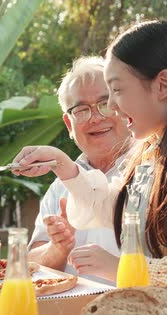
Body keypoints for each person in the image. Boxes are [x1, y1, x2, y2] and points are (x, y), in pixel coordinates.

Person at [12, 20, 167, 315]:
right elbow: (119, 208)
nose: (114, 109)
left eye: (116, 92)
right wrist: (64, 165)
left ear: (162, 85)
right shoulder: (152, 151)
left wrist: (119, 266)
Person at [27, 56, 132, 284]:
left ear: (125, 108)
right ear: (68, 124)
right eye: (81, 110)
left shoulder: (153, 172)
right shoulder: (61, 186)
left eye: (105, 104)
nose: (95, 118)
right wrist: (57, 248)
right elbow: (31, 265)